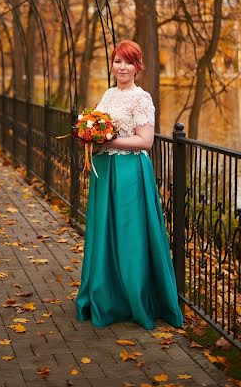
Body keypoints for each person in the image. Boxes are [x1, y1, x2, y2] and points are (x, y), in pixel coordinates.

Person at [76, 40, 183, 329]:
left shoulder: (141, 98)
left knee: (129, 233)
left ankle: (134, 298)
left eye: (128, 62)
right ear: (112, 65)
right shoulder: (109, 95)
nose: (122, 67)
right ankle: (105, 296)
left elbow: (145, 141)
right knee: (104, 231)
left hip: (129, 173)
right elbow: (97, 129)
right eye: (117, 61)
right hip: (105, 171)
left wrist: (109, 140)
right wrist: (91, 139)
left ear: (137, 67)